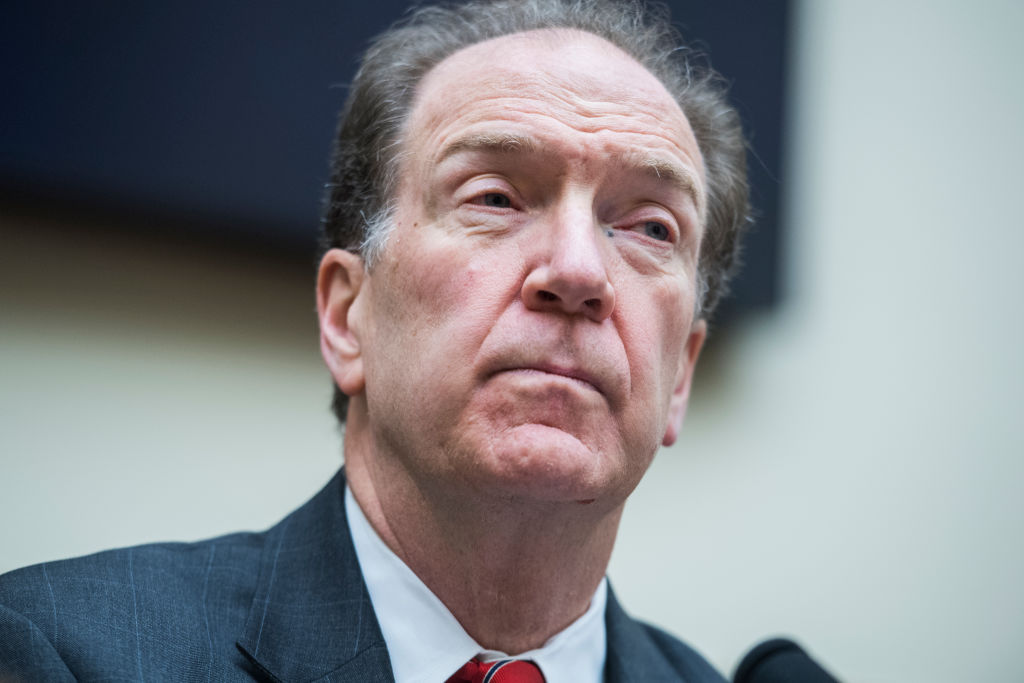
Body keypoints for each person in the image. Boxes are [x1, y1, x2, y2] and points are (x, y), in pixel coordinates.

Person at [0, 0, 748, 680]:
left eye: (652, 228)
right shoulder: (63, 652)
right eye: (495, 197)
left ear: (680, 374)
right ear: (346, 316)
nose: (580, 271)